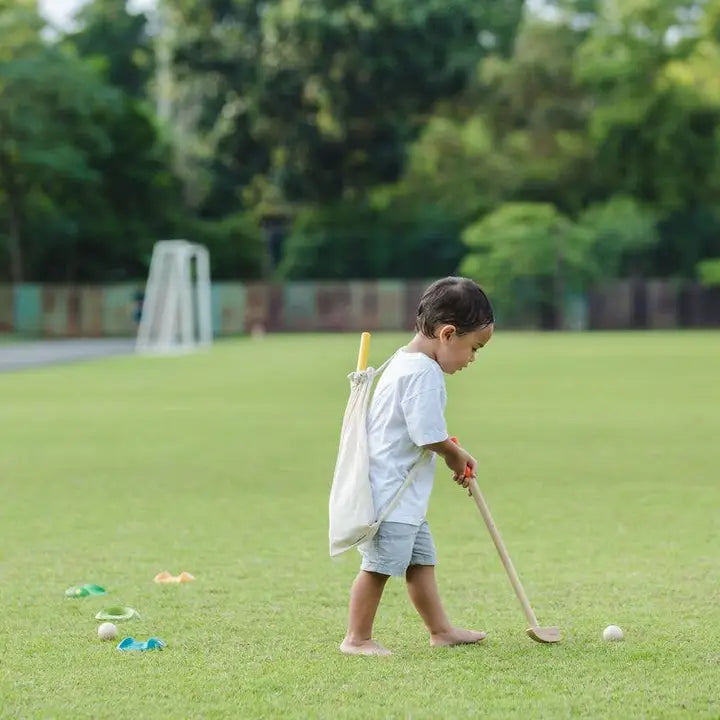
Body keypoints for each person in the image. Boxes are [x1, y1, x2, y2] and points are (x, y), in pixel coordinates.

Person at [340, 276, 495, 656]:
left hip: (401, 494)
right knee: (378, 568)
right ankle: (356, 638)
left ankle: (440, 630)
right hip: (391, 495)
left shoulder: (403, 360)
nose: (472, 359)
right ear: (447, 333)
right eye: (474, 348)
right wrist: (455, 454)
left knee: (420, 562)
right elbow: (426, 433)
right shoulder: (423, 373)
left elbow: (419, 429)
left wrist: (451, 449)